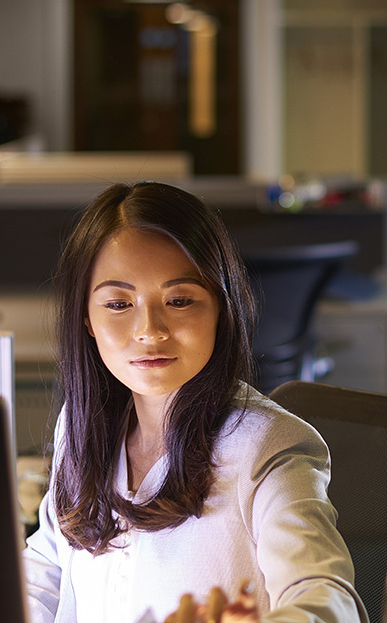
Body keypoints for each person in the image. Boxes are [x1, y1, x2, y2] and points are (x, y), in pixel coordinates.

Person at [23, 181, 368, 623]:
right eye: (118, 303)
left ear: (221, 309)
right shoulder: (83, 424)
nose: (149, 330)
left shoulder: (268, 446)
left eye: (180, 300)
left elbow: (327, 597)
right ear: (86, 318)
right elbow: (50, 562)